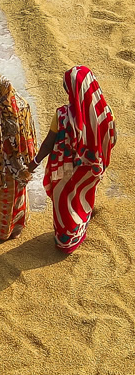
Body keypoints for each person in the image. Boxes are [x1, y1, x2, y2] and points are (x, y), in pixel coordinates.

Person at [29, 66, 117, 253]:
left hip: (65, 170)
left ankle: (66, 241)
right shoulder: (105, 112)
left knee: (64, 203)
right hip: (91, 168)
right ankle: (81, 224)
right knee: (82, 196)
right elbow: (111, 137)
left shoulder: (62, 115)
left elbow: (47, 144)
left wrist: (34, 163)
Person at [0, 73, 37, 240]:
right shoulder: (23, 105)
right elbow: (29, 132)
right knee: (18, 196)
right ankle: (17, 228)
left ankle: (2, 231)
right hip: (20, 164)